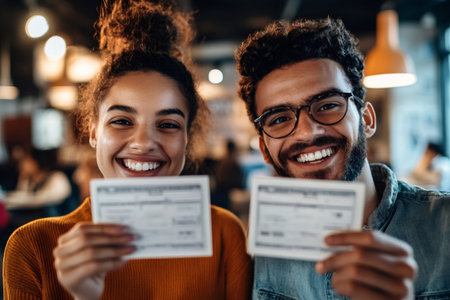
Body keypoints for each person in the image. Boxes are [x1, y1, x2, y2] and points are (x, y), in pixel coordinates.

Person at [3, 1, 252, 299]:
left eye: (168, 124)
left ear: (187, 137)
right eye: (122, 121)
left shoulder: (224, 234)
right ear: (94, 131)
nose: (143, 143)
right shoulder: (34, 246)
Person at [236, 18, 449, 299]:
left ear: (367, 120)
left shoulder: (444, 227)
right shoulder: (260, 252)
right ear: (264, 149)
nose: (308, 132)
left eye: (327, 105)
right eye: (279, 119)